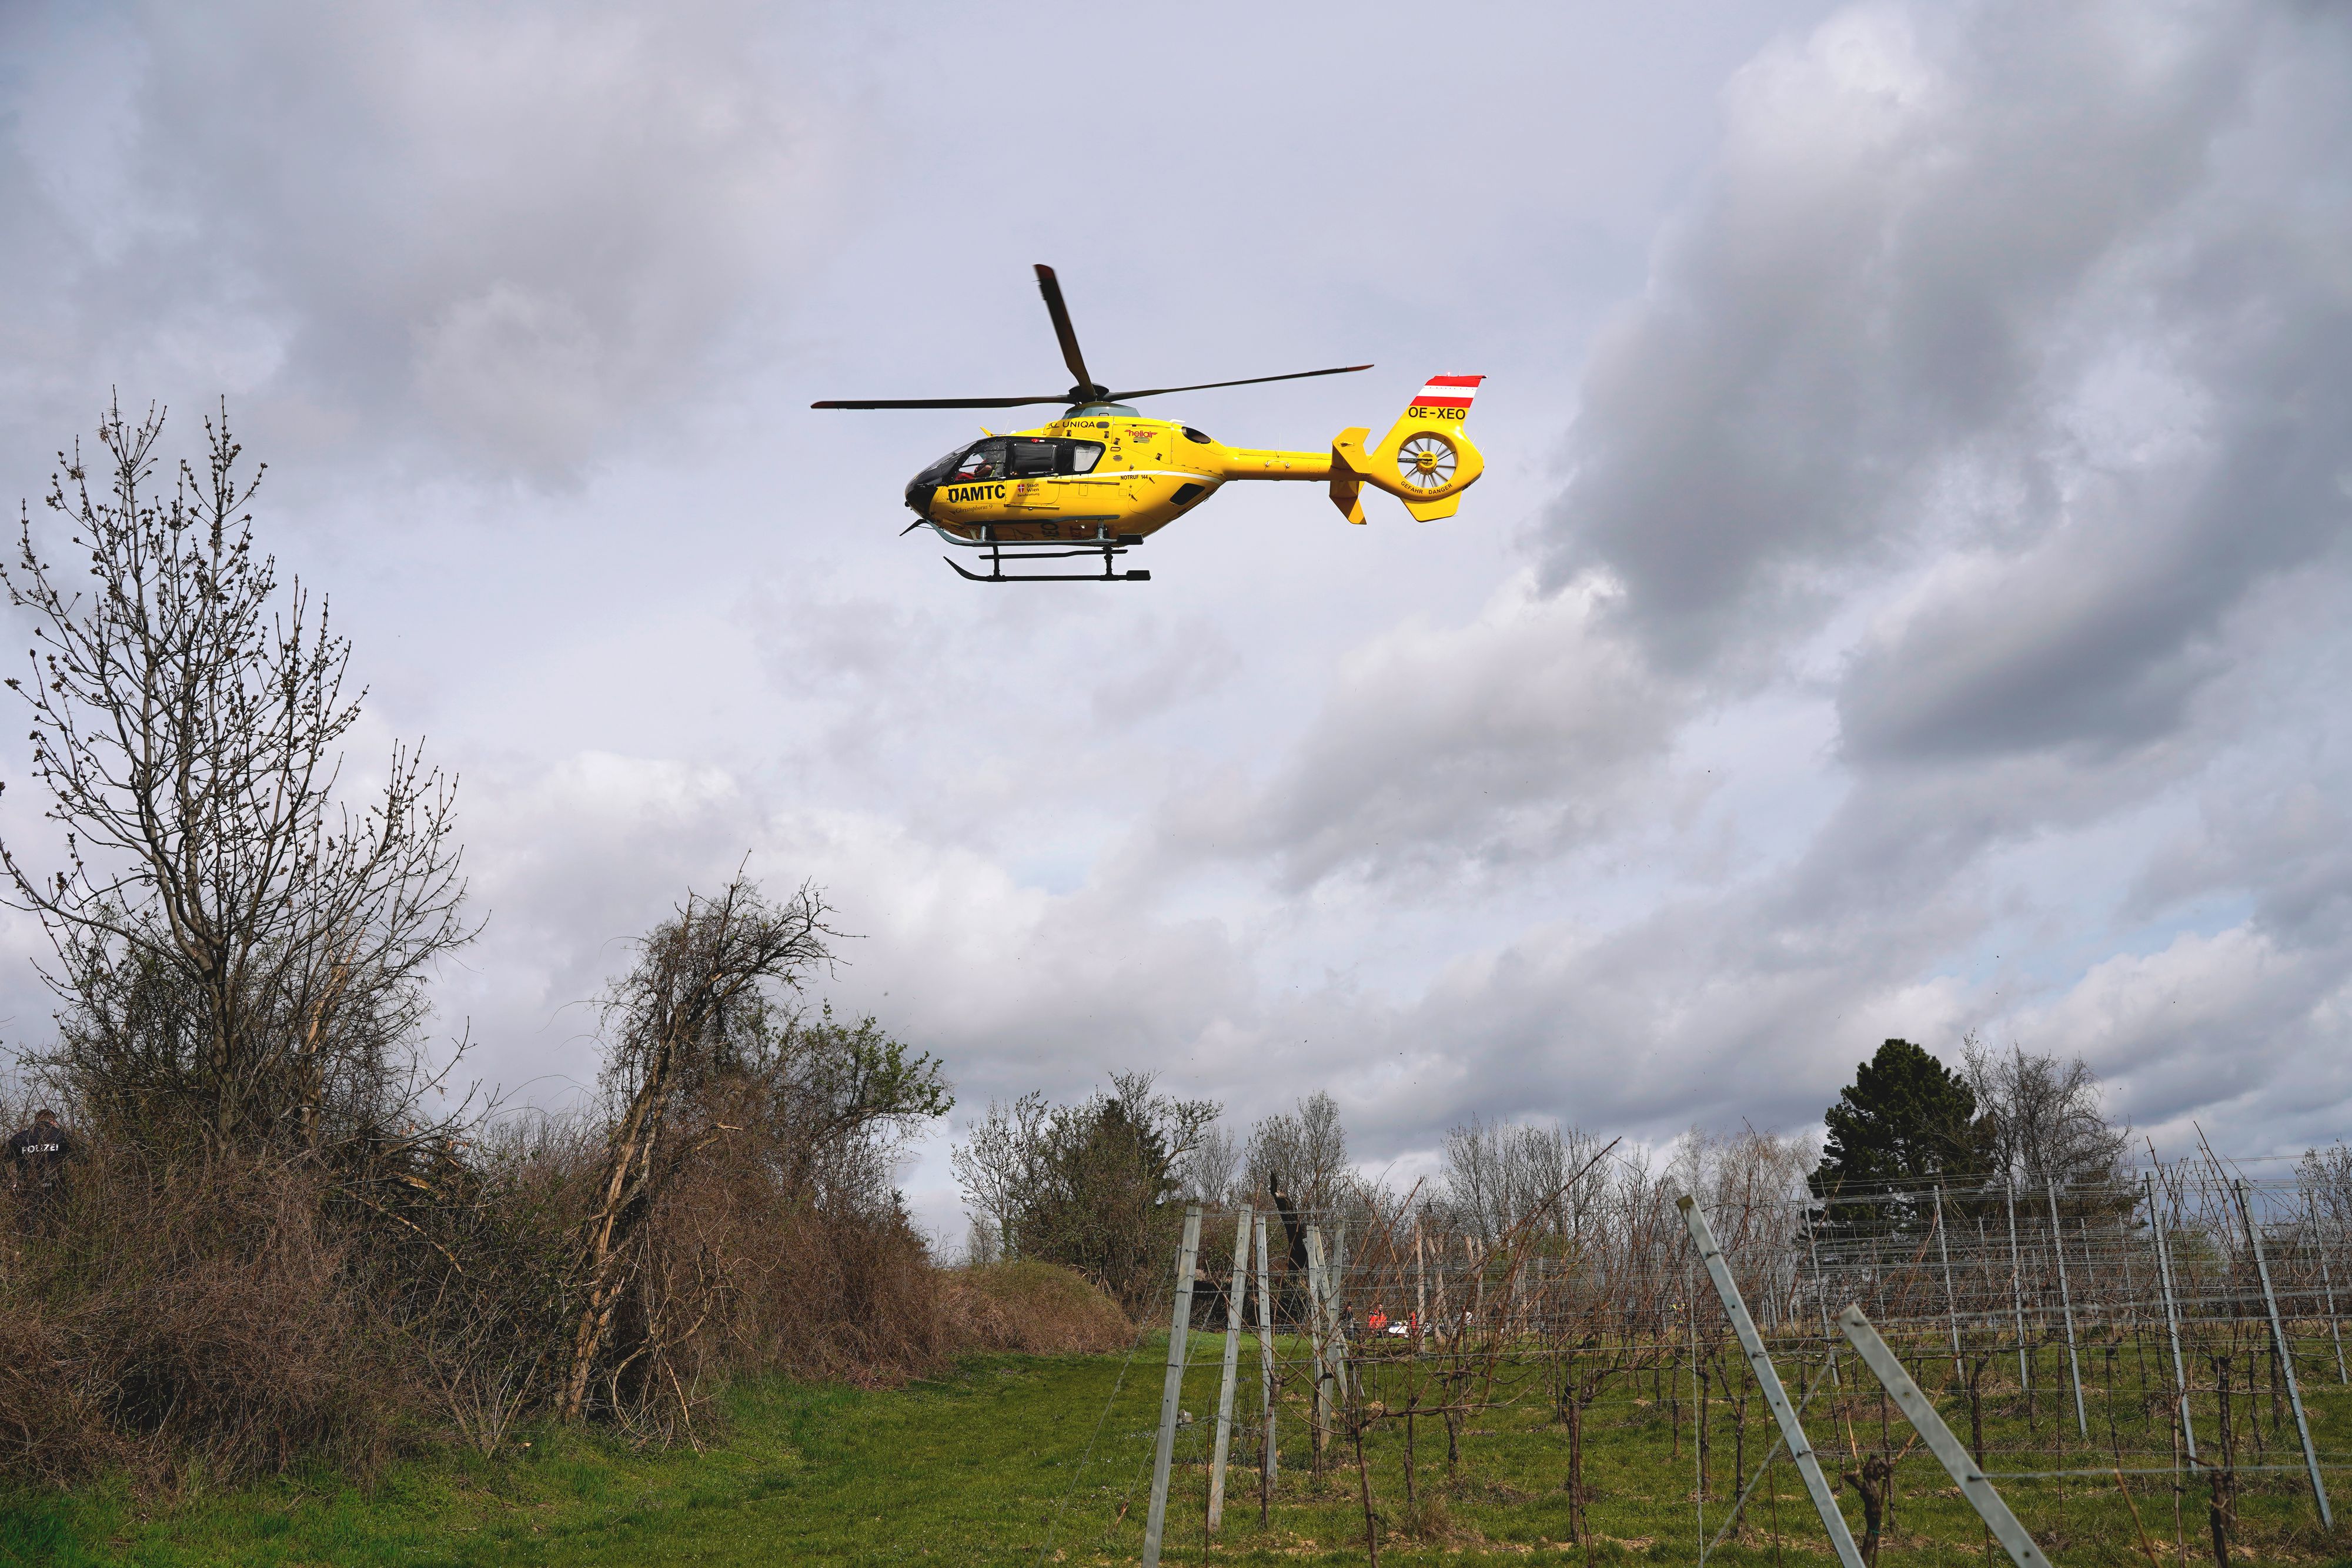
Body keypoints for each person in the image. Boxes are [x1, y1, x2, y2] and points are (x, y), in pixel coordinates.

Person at [9, 1108, 70, 1196]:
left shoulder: (19, 1138)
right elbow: (83, 1159)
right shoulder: (62, 1136)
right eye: (55, 1122)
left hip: (27, 1193)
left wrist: (8, 1185)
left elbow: (2, 1160)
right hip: (57, 1191)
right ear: (52, 1121)